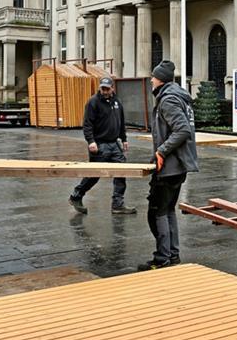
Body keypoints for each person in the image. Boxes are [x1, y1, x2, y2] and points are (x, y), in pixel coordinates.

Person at [138, 60, 199, 271]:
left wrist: (162, 151)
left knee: (157, 212)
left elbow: (182, 130)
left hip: (171, 166)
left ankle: (162, 258)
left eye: (153, 77)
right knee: (167, 209)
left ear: (161, 79)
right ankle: (172, 255)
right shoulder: (178, 97)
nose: (151, 80)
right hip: (178, 165)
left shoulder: (168, 100)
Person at [69, 77, 137, 215]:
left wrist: (124, 139)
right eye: (102, 88)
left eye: (107, 89)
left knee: (121, 172)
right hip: (99, 144)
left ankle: (117, 204)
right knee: (94, 174)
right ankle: (76, 196)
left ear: (112, 88)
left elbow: (121, 121)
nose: (105, 91)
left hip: (114, 144)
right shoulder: (93, 102)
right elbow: (87, 124)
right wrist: (91, 141)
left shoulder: (116, 102)